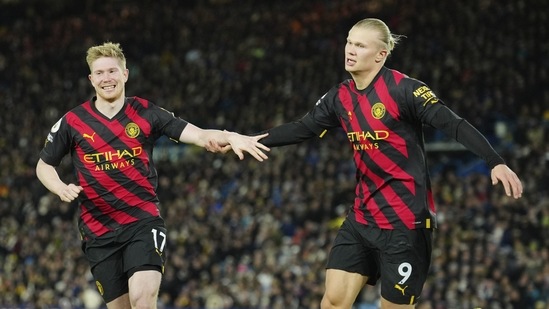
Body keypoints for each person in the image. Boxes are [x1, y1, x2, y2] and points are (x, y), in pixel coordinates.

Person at [214, 18, 524, 308]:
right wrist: (247, 139)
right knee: (333, 301)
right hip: (361, 219)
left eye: (360, 45)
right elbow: (301, 129)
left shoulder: (405, 90)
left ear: (381, 54)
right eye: (349, 42)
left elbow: (454, 124)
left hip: (406, 224)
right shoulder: (339, 97)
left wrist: (494, 161)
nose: (350, 49)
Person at [35, 41, 270, 309]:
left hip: (142, 222)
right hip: (98, 232)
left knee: (142, 298)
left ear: (125, 74)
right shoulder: (72, 122)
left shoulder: (147, 112)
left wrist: (230, 136)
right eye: (99, 73)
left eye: (112, 71)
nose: (107, 78)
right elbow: (44, 166)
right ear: (91, 79)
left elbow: (200, 134)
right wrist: (59, 187)